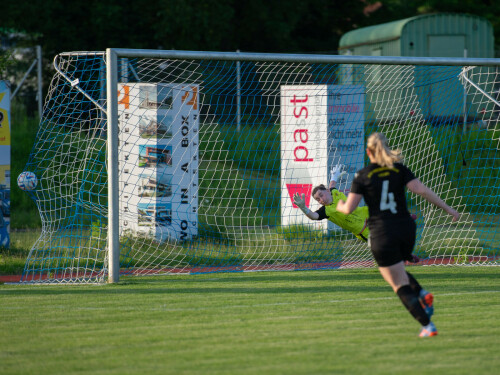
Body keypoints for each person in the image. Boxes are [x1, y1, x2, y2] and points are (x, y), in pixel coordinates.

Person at [336, 132, 460, 337]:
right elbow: (422, 190)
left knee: (397, 283)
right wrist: (448, 209)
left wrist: (339, 205)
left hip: (383, 233)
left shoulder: (363, 175)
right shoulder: (399, 169)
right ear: (385, 148)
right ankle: (422, 293)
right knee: (398, 269)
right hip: (407, 230)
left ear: (368, 152)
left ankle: (427, 325)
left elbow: (349, 208)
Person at [293, 164, 370, 242]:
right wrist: (303, 208)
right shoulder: (325, 211)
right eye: (318, 199)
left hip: (368, 213)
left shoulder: (333, 192)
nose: (321, 199)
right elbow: (313, 216)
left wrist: (334, 176)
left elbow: (332, 184)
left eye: (321, 195)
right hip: (364, 231)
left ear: (327, 191)